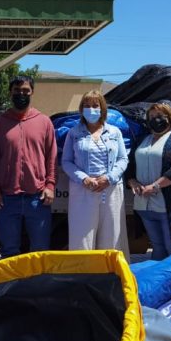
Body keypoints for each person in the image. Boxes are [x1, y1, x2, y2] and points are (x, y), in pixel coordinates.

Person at [0, 75, 57, 258]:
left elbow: (51, 157)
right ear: (10, 93)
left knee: (40, 250)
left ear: (32, 92)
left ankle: (38, 287)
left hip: (38, 198)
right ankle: (12, 287)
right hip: (7, 199)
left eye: (25, 90)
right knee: (9, 252)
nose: (21, 94)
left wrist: (50, 185)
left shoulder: (44, 122)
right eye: (17, 91)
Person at [61, 91, 129, 256]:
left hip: (110, 190)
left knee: (112, 238)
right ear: (81, 109)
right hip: (83, 190)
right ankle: (83, 277)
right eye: (86, 106)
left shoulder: (114, 132)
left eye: (95, 105)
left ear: (102, 108)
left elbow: (123, 159)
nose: (90, 109)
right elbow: (66, 162)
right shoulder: (74, 133)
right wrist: (84, 179)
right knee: (82, 239)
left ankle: (111, 277)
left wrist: (109, 178)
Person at [126, 101, 171, 260]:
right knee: (157, 248)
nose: (155, 119)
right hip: (144, 204)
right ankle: (161, 283)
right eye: (151, 117)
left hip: (168, 205)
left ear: (169, 118)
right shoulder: (142, 140)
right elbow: (129, 165)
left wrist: (155, 186)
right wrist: (132, 182)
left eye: (160, 116)